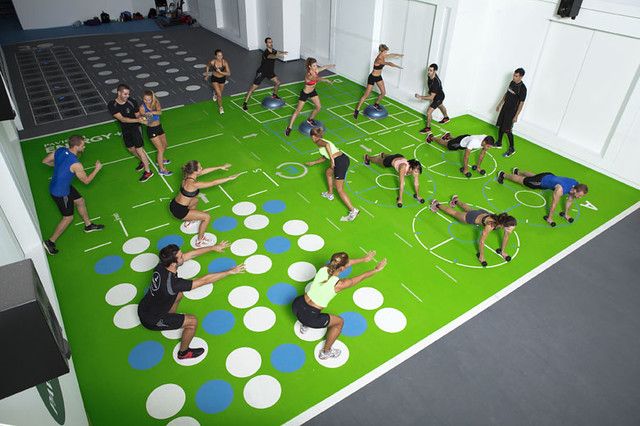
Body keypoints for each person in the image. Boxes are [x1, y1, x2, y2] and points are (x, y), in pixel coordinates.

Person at [137, 243, 245, 360]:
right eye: (181, 256)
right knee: (192, 322)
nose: (184, 256)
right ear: (174, 262)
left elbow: (191, 254)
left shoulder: (161, 265)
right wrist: (230, 272)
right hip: (151, 320)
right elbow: (204, 280)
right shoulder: (173, 284)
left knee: (179, 295)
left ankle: (171, 316)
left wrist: (213, 248)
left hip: (145, 306)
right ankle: (183, 353)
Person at [292, 251, 386, 359]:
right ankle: (326, 352)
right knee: (339, 322)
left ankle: (305, 325)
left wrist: (363, 259)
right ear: (342, 268)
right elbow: (362, 277)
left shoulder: (324, 268)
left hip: (297, 305)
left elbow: (345, 264)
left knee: (313, 305)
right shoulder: (339, 285)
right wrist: (376, 269)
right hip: (309, 316)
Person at [41, 135, 104, 255]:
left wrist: (61, 167)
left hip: (62, 185)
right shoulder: (76, 164)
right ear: (76, 147)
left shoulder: (60, 150)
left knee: (80, 201)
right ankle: (50, 241)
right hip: (60, 192)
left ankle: (88, 225)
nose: (84, 146)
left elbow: (45, 161)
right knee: (68, 217)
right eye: (82, 145)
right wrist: (97, 169)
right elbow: (86, 181)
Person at [170, 160, 242, 247]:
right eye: (200, 167)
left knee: (195, 200)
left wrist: (220, 167)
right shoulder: (194, 184)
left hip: (174, 204)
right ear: (195, 171)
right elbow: (213, 183)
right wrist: (229, 178)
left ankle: (189, 221)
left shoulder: (187, 176)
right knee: (206, 217)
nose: (202, 168)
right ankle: (200, 240)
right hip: (179, 211)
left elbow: (204, 171)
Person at [429, 195, 516, 267]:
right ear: (503, 225)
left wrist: (503, 251)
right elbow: (481, 241)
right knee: (454, 213)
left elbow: (506, 235)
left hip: (482, 213)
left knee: (469, 209)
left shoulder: (504, 221)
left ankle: (456, 200)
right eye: (509, 228)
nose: (510, 230)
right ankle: (436, 204)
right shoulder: (490, 225)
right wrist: (481, 256)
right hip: (473, 217)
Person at [497, 168, 588, 227]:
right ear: (575, 190)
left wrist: (566, 214)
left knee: (534, 176)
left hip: (549, 176)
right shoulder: (560, 190)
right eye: (579, 195)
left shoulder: (575, 184)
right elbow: (554, 204)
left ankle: (518, 171)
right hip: (541, 182)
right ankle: (503, 175)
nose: (579, 197)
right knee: (522, 180)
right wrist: (550, 218)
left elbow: (570, 200)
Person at [305, 128, 359, 222]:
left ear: (313, 136)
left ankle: (353, 210)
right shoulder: (322, 140)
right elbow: (324, 157)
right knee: (328, 173)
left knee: (340, 189)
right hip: (342, 159)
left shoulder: (319, 142)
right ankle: (330, 193)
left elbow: (327, 145)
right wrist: (314, 162)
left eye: (311, 137)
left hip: (339, 162)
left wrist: (332, 160)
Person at [108, 84, 153, 182]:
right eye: (125, 94)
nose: (127, 96)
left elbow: (137, 115)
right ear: (119, 93)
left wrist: (142, 118)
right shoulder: (112, 105)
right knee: (130, 149)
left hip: (136, 128)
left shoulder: (132, 101)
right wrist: (139, 120)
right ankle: (143, 161)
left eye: (128, 94)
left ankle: (148, 171)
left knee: (139, 150)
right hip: (125, 128)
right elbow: (123, 119)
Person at [285, 58, 335, 136]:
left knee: (318, 107)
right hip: (305, 93)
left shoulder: (316, 70)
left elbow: (323, 67)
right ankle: (289, 127)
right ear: (309, 66)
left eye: (316, 65)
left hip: (312, 92)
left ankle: (310, 119)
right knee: (298, 111)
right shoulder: (309, 75)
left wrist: (331, 65)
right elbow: (317, 78)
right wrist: (326, 80)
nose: (316, 67)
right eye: (314, 66)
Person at [353, 44, 403, 119]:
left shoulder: (383, 56)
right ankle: (356, 110)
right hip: (372, 77)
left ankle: (376, 104)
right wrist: (397, 66)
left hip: (379, 77)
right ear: (380, 51)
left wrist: (398, 55)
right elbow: (388, 63)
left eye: (386, 52)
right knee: (366, 95)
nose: (386, 53)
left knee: (383, 93)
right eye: (384, 52)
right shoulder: (378, 59)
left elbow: (391, 55)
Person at [242, 37, 288, 110]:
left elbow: (276, 52)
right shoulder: (266, 53)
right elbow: (271, 56)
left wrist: (283, 52)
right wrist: (278, 55)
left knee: (278, 83)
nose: (271, 43)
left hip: (269, 72)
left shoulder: (273, 50)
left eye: (271, 42)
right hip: (262, 72)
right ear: (266, 44)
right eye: (269, 42)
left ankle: (274, 95)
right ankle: (245, 103)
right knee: (253, 88)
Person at [426, 132, 496, 177]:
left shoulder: (487, 140)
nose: (488, 148)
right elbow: (466, 156)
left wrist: (478, 167)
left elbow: (482, 154)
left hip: (467, 138)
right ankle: (431, 137)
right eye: (488, 146)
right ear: (484, 142)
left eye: (490, 146)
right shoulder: (474, 142)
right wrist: (466, 169)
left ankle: (448, 136)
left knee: (460, 142)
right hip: (461, 142)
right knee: (447, 144)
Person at [495, 68, 527, 158]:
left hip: (512, 111)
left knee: (508, 130)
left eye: (516, 76)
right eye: (514, 75)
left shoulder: (523, 89)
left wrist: (516, 116)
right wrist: (500, 104)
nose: (514, 77)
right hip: (505, 108)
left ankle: (512, 148)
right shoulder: (512, 82)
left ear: (521, 77)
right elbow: (507, 93)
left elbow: (521, 103)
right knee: (501, 125)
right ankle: (499, 143)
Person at [139, 90, 171, 176]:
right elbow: (149, 122)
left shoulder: (156, 103)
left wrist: (152, 112)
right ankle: (162, 169)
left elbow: (160, 112)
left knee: (165, 145)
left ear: (152, 98)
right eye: (145, 99)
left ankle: (160, 159)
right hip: (151, 130)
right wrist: (146, 118)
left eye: (148, 99)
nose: (146, 101)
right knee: (160, 149)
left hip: (159, 127)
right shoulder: (142, 108)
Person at [415, 63, 449, 133]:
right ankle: (446, 118)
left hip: (439, 97)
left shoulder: (436, 83)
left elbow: (431, 97)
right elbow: (431, 88)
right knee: (440, 106)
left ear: (435, 71)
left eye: (430, 71)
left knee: (428, 112)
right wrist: (430, 91)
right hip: (437, 95)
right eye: (428, 70)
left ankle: (428, 128)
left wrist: (420, 97)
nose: (428, 72)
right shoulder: (429, 76)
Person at [205, 49, 231, 114]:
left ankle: (215, 94)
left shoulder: (224, 62)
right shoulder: (213, 62)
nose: (220, 57)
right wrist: (207, 75)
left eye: (221, 55)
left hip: (222, 79)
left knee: (219, 93)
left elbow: (229, 73)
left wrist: (221, 72)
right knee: (220, 94)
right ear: (215, 56)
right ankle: (221, 107)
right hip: (214, 78)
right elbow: (207, 66)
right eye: (218, 56)